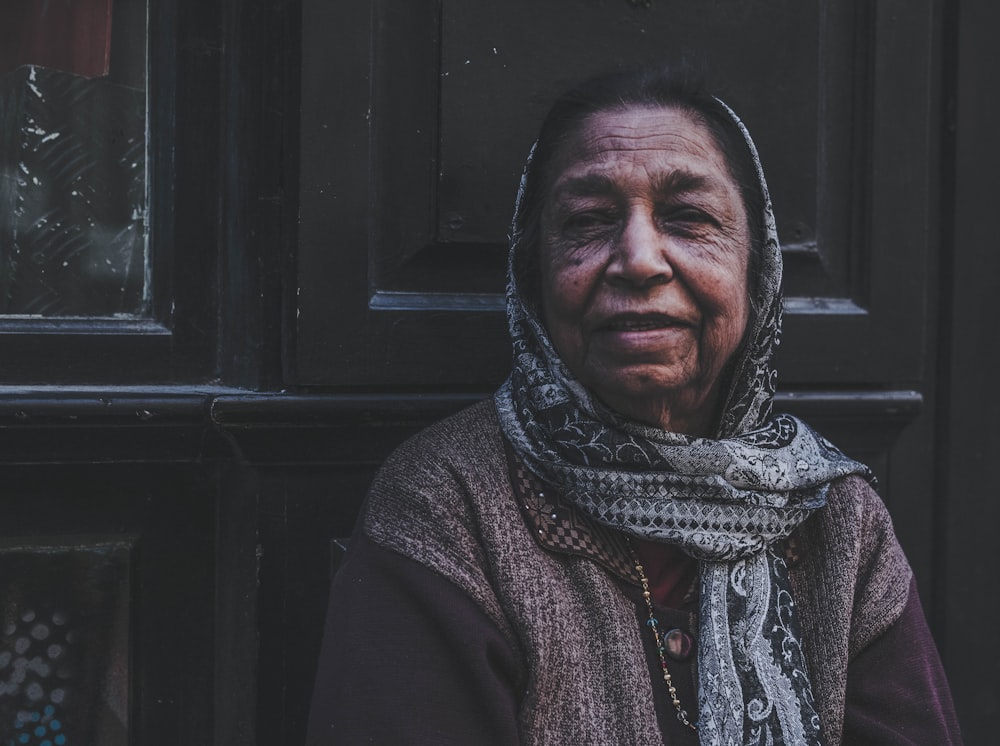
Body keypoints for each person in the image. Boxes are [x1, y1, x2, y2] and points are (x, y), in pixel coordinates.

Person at [306, 67, 962, 745]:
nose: (640, 259)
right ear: (534, 280)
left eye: (689, 218)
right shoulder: (447, 505)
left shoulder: (839, 520)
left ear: (756, 271)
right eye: (588, 221)